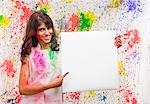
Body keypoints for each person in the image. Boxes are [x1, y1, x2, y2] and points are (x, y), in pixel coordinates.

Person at [19, 11, 69, 104]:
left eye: (49, 28)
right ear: (34, 32)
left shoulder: (59, 51)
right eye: (41, 29)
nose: (47, 33)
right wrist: (50, 85)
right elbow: (23, 89)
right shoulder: (29, 54)